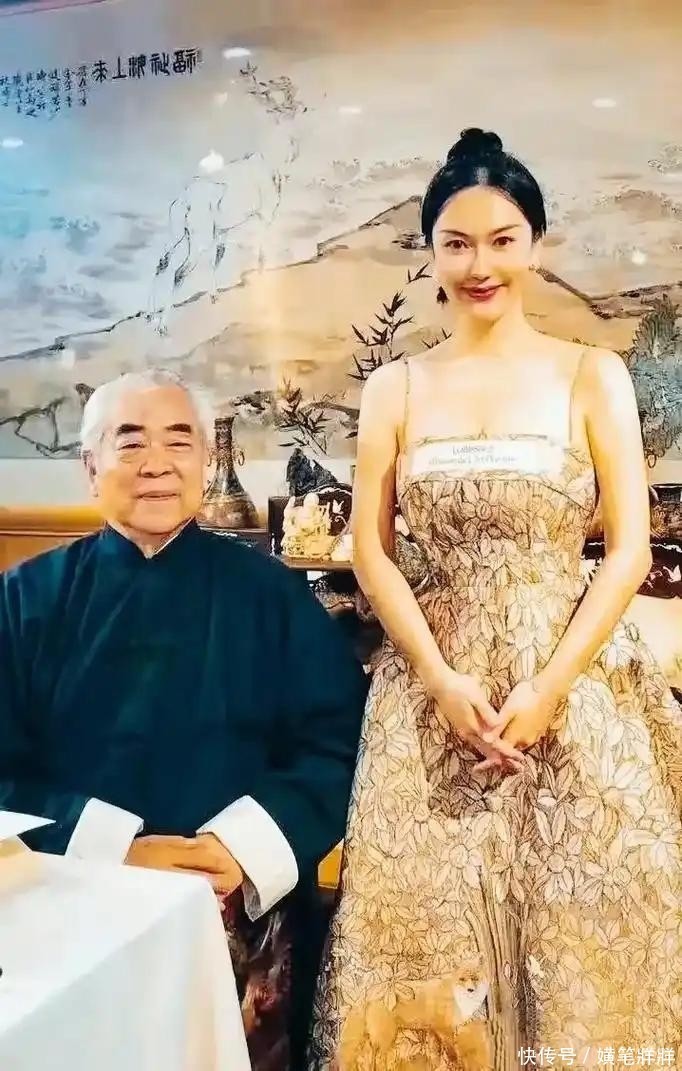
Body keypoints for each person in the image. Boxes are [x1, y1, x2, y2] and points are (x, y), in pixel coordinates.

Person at [308, 129, 682, 1069]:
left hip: (575, 686)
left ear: (537, 244)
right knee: (429, 938)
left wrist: (550, 688)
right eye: (458, 243)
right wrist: (438, 678)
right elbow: (372, 551)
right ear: (431, 253)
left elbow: (628, 551)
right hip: (433, 695)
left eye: (503, 239)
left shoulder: (591, 372)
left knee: (588, 933)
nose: (481, 265)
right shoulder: (396, 386)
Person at [0, 369, 368, 1071]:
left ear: (204, 461)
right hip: (73, 906)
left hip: (241, 913)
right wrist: (116, 848)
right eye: (130, 441)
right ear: (90, 468)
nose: (157, 463)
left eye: (179, 441)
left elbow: (339, 742)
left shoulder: (272, 594)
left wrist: (239, 850)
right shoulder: (23, 599)